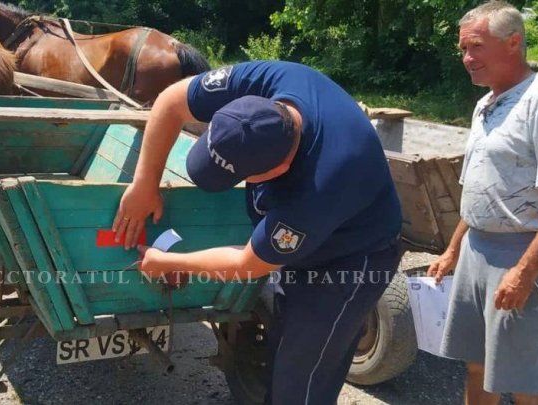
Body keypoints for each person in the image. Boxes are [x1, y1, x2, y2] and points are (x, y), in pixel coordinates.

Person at [112, 60, 403, 404]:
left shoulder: (320, 188)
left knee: (302, 379)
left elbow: (247, 265)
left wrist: (170, 262)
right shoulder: (270, 79)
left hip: (348, 263)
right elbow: (171, 100)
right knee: (282, 354)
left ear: (279, 168)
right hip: (309, 242)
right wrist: (145, 183)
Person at [427, 2, 538, 405]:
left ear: (513, 42)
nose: (467, 59)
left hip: (519, 255)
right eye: (463, 49)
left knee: (523, 382)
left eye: (476, 47)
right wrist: (452, 250)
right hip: (476, 251)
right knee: (477, 367)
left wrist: (524, 272)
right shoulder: (486, 104)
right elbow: (480, 188)